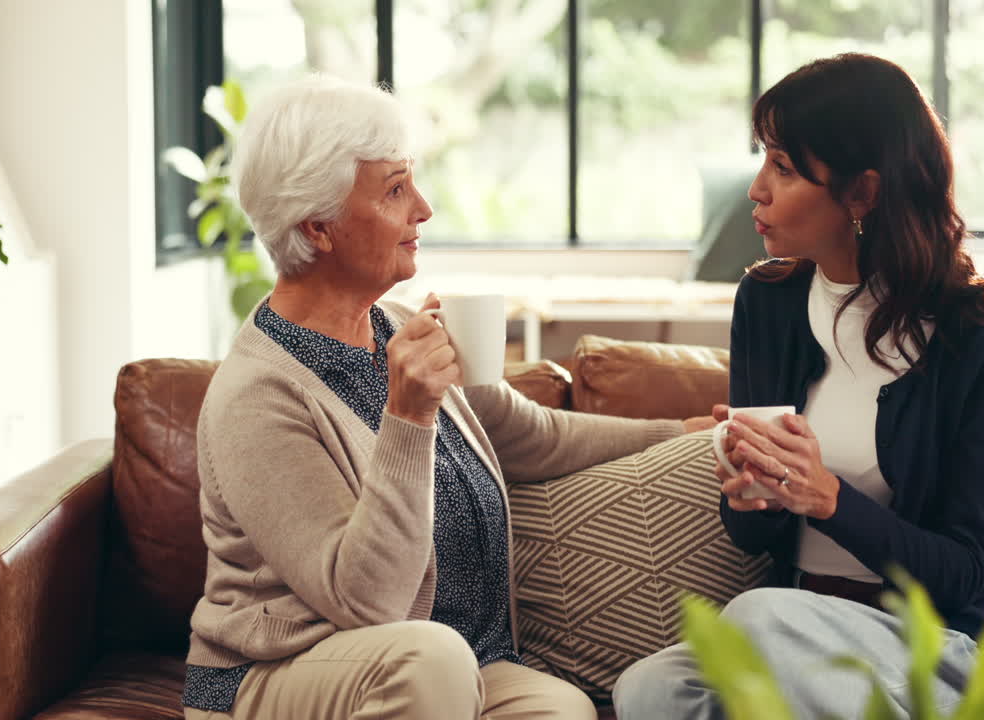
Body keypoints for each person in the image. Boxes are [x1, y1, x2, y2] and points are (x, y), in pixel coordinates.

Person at [182, 75, 714, 720]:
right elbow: (367, 604)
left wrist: (680, 434)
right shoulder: (256, 397)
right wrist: (408, 415)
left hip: (465, 664)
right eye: (396, 190)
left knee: (560, 709)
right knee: (429, 660)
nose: (424, 209)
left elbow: (533, 436)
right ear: (318, 227)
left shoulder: (396, 326)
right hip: (284, 674)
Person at [613, 53, 984, 719]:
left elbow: (961, 571)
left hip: (928, 642)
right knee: (651, 688)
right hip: (797, 626)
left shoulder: (979, 337)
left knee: (757, 619)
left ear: (863, 194)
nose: (757, 188)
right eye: (764, 160)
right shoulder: (766, 301)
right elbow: (751, 538)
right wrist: (754, 492)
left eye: (783, 166)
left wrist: (828, 499)